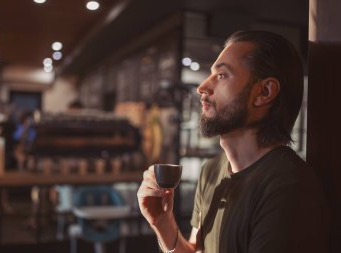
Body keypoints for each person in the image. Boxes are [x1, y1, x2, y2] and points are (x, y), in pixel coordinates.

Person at [137, 30, 330, 253]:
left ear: (264, 92)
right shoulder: (211, 171)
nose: (202, 87)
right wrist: (163, 224)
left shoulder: (289, 188)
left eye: (221, 75)